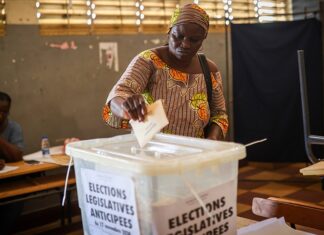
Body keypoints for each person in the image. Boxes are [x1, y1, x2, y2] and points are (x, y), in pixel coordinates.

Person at [103, 3, 228, 140]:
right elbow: (118, 94)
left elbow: (219, 115)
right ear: (169, 32)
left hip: (194, 154)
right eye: (178, 36)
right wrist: (126, 108)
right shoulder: (149, 61)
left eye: (194, 40)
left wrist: (211, 142)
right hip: (153, 152)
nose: (185, 44)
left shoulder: (209, 71)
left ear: (203, 39)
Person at [0, 91, 25, 235]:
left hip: (10, 179)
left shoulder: (14, 128)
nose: (1, 115)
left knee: (16, 199)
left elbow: (17, 156)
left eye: (5, 111)